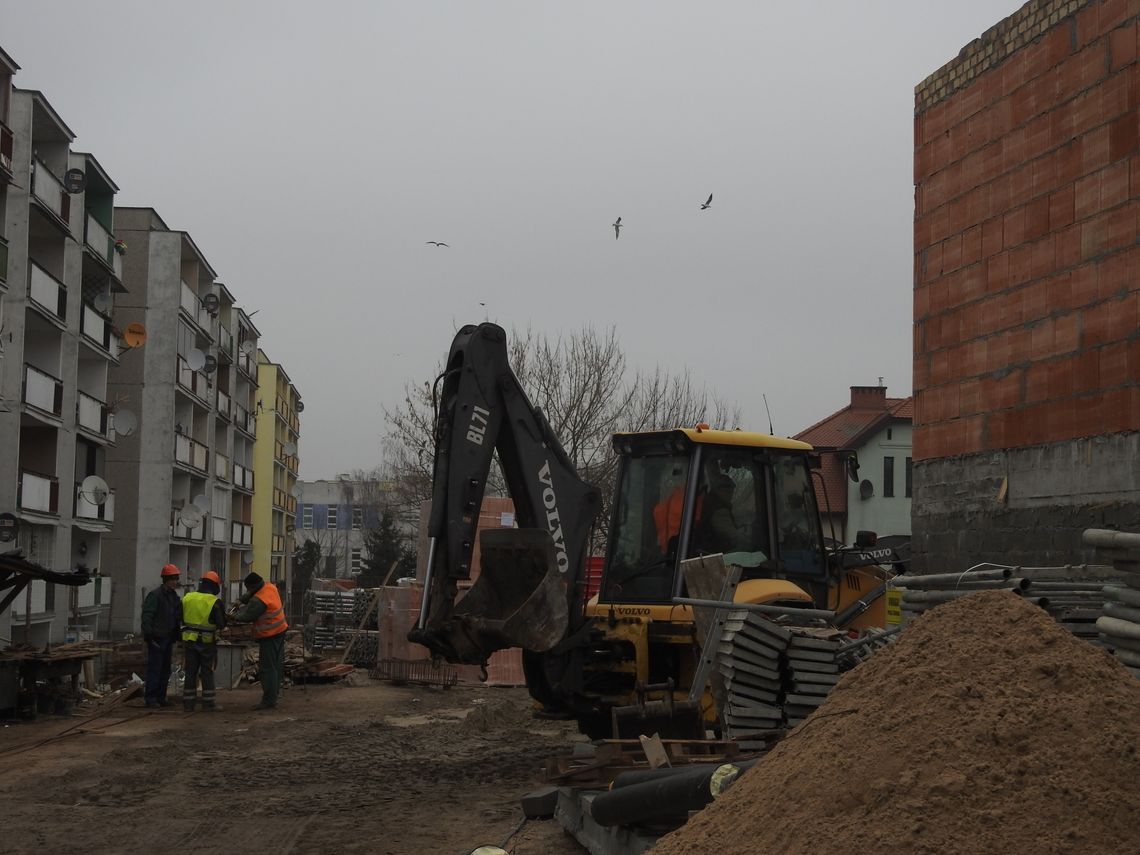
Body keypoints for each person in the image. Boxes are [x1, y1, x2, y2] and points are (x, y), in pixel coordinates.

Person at [230, 571, 289, 710]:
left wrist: (233, 617)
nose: (248, 591)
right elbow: (252, 593)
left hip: (269, 635)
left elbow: (247, 616)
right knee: (276, 665)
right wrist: (241, 600)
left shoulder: (258, 601)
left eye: (248, 588)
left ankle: (269, 700)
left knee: (267, 668)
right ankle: (274, 694)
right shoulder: (269, 586)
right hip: (280, 630)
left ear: (252, 587)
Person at [181, 570, 227, 712]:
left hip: (189, 641)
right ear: (215, 586)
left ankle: (188, 704)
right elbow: (221, 624)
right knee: (207, 671)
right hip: (206, 643)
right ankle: (208, 703)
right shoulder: (214, 602)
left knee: (190, 672)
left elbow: (179, 617)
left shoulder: (187, 598)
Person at [140, 563, 182, 709]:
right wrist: (148, 635)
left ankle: (161, 697)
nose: (175, 582)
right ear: (166, 580)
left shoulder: (174, 597)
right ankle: (151, 698)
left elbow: (176, 616)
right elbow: (147, 615)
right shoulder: (155, 595)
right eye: (172, 579)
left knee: (165, 670)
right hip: (157, 638)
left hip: (168, 637)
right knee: (155, 669)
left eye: (176, 579)